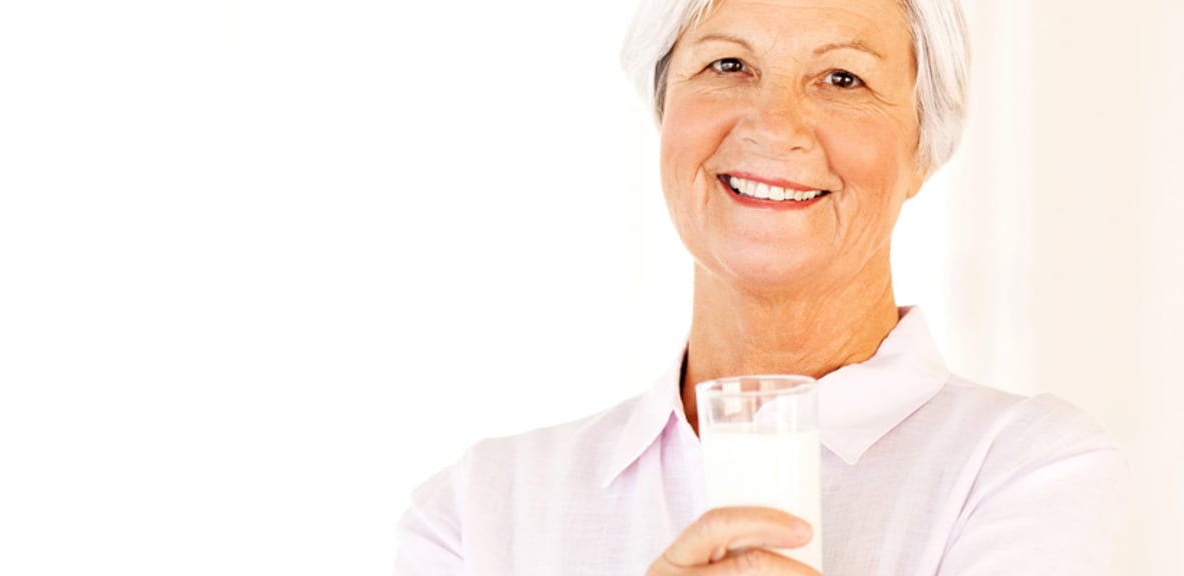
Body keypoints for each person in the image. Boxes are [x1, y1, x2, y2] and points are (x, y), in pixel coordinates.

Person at [395, 0, 1126, 573]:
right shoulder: (477, 510)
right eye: (728, 65)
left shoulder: (1022, 471)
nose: (775, 125)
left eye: (843, 78)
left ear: (920, 149)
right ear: (664, 110)